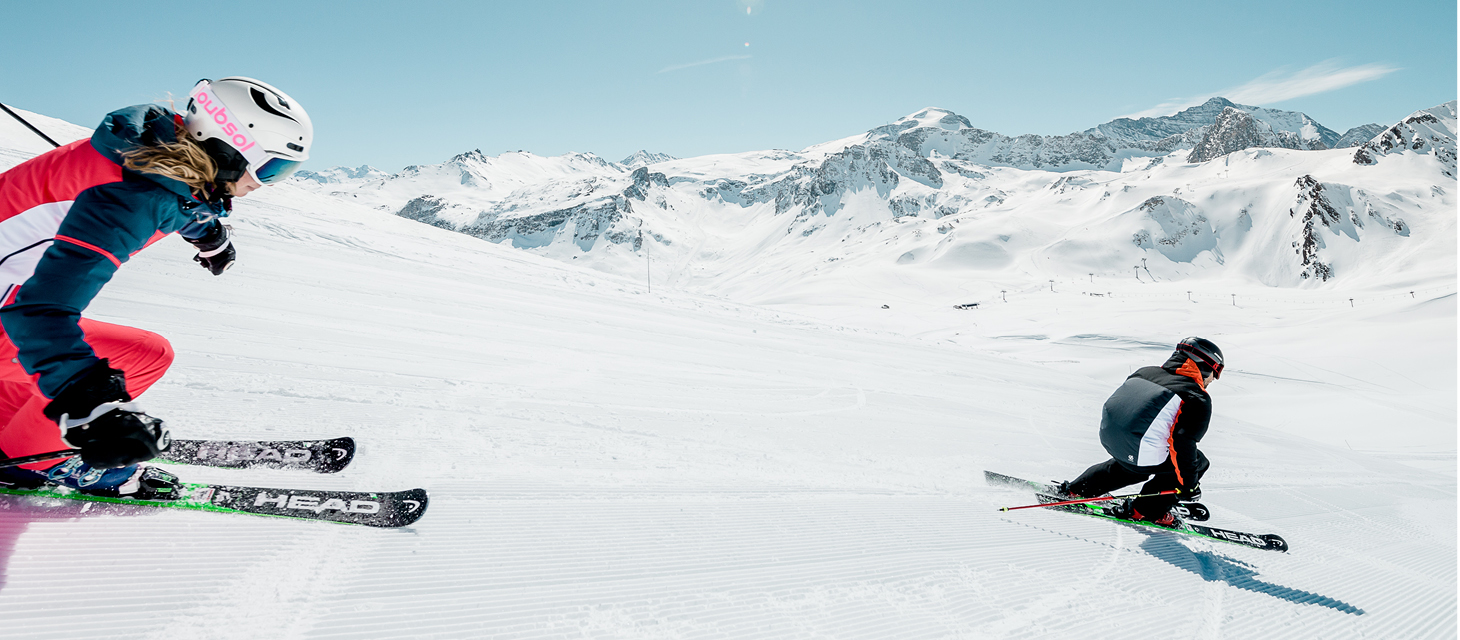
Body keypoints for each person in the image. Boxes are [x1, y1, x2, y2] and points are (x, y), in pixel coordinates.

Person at [0, 77, 312, 498]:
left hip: (9, 293)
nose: (266, 183)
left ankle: (11, 435)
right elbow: (40, 312)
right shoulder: (135, 196)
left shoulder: (148, 155)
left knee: (41, 337)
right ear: (230, 149)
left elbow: (183, 201)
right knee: (145, 354)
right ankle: (39, 459)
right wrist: (93, 409)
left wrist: (209, 236)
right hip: (17, 306)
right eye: (272, 168)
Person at [1056, 337, 1224, 527]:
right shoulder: (1195, 396)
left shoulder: (1145, 372)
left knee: (1132, 466)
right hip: (1139, 450)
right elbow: (1183, 443)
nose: (1213, 379)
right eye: (1216, 372)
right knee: (1197, 462)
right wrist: (1188, 486)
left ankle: (1077, 490)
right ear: (1204, 364)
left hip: (1111, 439)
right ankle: (1144, 511)